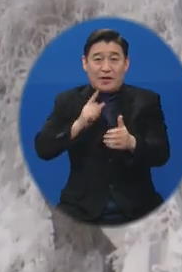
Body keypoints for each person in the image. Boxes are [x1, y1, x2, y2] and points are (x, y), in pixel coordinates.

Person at [34, 29, 170, 225]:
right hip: (80, 209)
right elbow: (43, 148)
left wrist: (132, 142)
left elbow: (161, 154)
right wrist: (79, 124)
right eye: (97, 59)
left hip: (138, 209)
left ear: (126, 64)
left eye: (114, 59)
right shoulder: (68, 100)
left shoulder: (146, 100)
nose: (106, 68)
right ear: (84, 63)